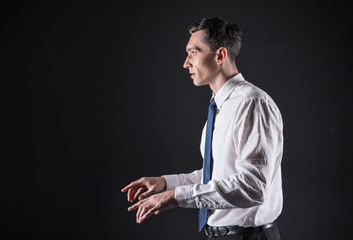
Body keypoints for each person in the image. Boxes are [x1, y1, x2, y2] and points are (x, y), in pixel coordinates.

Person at [121, 17, 283, 240]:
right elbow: (218, 175)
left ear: (220, 56)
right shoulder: (220, 106)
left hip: (248, 236)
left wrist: (177, 196)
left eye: (194, 52)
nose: (186, 63)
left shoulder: (251, 103)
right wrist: (166, 183)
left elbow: (252, 186)